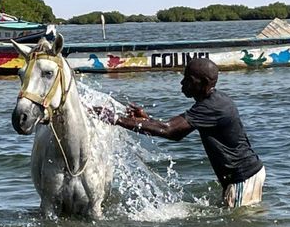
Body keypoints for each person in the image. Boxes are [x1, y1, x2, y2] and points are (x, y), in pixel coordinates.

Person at [99, 57, 265, 208]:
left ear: (204, 83)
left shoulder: (210, 107)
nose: (182, 83)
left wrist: (115, 119)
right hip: (245, 175)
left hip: (243, 178)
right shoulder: (213, 101)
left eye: (189, 80)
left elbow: (170, 131)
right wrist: (145, 119)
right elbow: (173, 128)